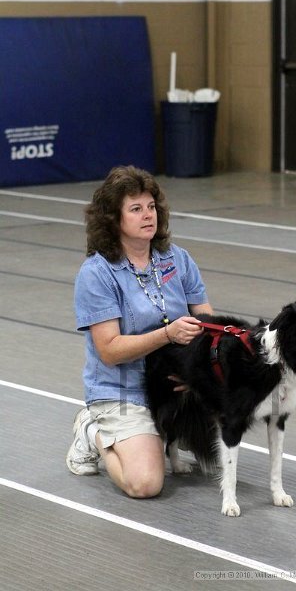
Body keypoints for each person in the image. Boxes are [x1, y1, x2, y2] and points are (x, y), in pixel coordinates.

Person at [66, 165, 213, 498]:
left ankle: (155, 435)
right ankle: (93, 431)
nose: (149, 215)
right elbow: (110, 350)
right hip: (121, 390)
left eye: (151, 207)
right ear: (113, 219)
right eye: (136, 209)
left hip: (172, 384)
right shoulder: (97, 274)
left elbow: (208, 323)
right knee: (145, 483)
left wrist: (197, 373)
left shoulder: (179, 259)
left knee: (217, 442)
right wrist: (167, 335)